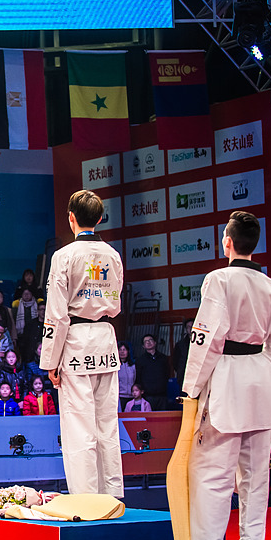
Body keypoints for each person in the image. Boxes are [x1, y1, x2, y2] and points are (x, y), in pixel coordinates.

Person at [176, 210, 271, 540]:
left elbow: (206, 340)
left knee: (212, 467)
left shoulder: (218, 280)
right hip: (264, 380)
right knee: (255, 471)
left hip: (228, 377)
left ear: (227, 242)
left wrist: (191, 389)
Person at [41, 189, 123, 498]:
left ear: (71, 218)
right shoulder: (113, 255)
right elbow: (116, 302)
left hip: (75, 339)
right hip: (105, 337)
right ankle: (112, 496)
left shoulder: (63, 256)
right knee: (107, 423)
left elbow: (56, 314)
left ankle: (86, 498)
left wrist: (51, 361)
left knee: (79, 427)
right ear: (100, 218)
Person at [136, 334, 171, 411]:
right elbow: (138, 377)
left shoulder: (163, 358)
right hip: (147, 395)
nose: (148, 342)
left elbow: (167, 373)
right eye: (146, 341)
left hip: (162, 394)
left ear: (155, 342)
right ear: (143, 346)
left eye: (150, 340)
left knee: (162, 416)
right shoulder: (140, 360)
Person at [172, 319, 194, 393]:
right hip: (184, 377)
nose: (191, 328)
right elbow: (175, 362)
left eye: (192, 326)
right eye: (188, 327)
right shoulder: (180, 345)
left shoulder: (203, 343)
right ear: (186, 329)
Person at [117, 341, 136, 411]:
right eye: (120, 350)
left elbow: (135, 379)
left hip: (132, 396)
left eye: (124, 350)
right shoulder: (116, 367)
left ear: (128, 351)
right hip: (119, 397)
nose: (122, 352)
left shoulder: (133, 366)